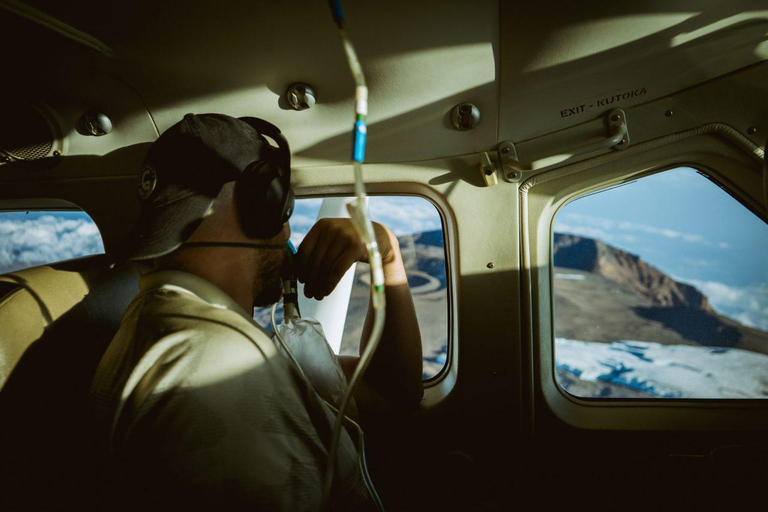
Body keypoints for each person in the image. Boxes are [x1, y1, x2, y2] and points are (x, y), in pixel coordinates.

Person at [89, 113, 422, 510]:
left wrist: (388, 257)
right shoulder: (218, 364)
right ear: (264, 204)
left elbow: (391, 395)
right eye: (283, 206)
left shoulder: (191, 328)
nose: (287, 232)